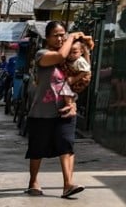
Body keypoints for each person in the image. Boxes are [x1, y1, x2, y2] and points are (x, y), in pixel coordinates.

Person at [24, 22, 85, 198]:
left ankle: (68, 185)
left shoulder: (70, 57)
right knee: (37, 149)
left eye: (63, 34)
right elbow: (59, 56)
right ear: (47, 38)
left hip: (65, 110)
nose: (60, 38)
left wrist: (73, 102)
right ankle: (33, 181)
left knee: (66, 145)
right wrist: (72, 37)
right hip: (42, 112)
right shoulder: (42, 55)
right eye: (56, 35)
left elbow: (79, 76)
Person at [58, 38, 93, 116]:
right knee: (68, 89)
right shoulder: (70, 60)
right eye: (69, 52)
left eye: (74, 52)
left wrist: (75, 79)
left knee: (65, 87)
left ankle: (69, 105)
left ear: (81, 52)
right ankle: (70, 106)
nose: (71, 55)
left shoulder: (80, 61)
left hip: (80, 80)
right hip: (75, 81)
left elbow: (86, 71)